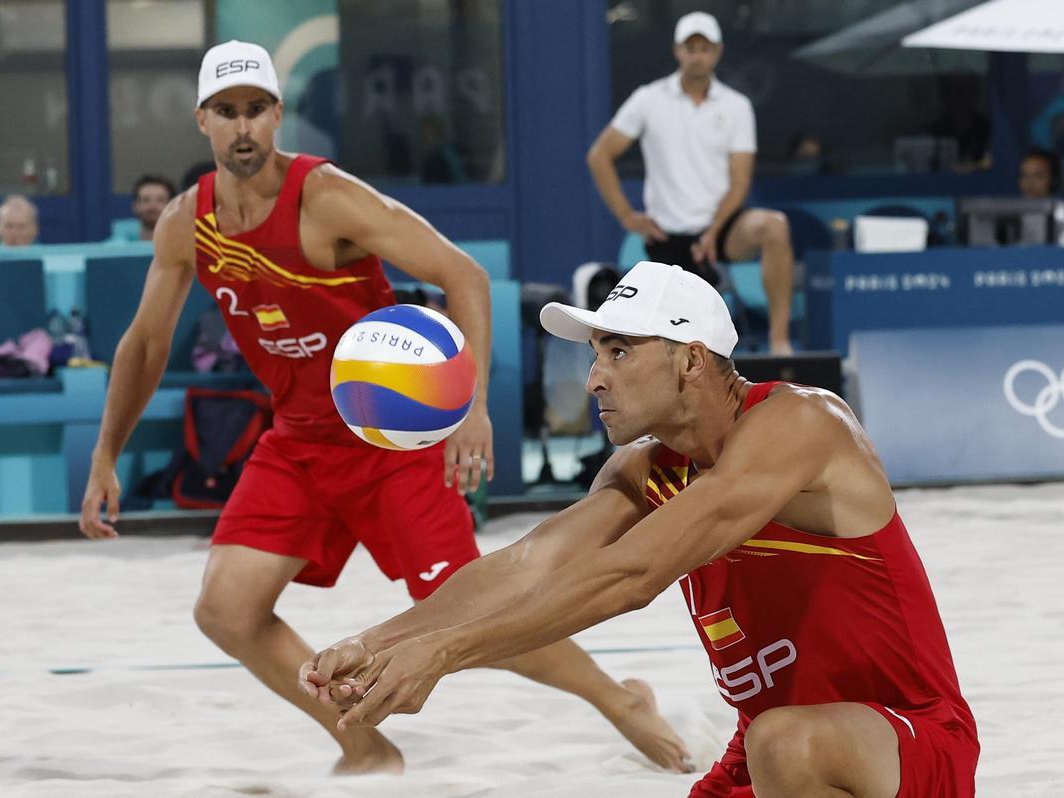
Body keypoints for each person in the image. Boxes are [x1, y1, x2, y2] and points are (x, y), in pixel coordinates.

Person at [78, 40, 688, 775]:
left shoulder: (327, 197)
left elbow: (461, 273)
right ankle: (363, 743)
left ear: (277, 115)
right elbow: (144, 345)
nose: (242, 127)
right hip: (298, 441)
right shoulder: (186, 225)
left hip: (389, 441)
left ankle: (618, 700)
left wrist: (473, 408)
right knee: (226, 611)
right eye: (225, 112)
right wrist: (105, 453)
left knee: (472, 613)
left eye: (255, 110)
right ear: (201, 120)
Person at [301, 260, 979, 796]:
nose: (594, 378)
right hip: (764, 753)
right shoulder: (640, 470)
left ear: (690, 358)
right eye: (595, 354)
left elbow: (635, 574)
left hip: (906, 743)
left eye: (619, 352)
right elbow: (528, 565)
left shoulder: (801, 424)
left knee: (785, 742)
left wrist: (447, 654)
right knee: (773, 741)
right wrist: (377, 642)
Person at [587, 11, 795, 355]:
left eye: (705, 47)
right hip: (668, 236)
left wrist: (713, 231)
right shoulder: (649, 99)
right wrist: (627, 215)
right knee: (673, 344)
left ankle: (779, 342)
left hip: (721, 229)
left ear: (718, 51)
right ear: (677, 51)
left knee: (774, 226)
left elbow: (740, 180)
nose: (698, 55)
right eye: (691, 47)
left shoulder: (736, 106)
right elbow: (600, 155)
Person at [130, 174, 176, 241]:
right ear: (135, 206)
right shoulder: (116, 248)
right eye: (146, 200)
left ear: (172, 207)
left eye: (160, 200)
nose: (153, 205)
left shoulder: (186, 246)